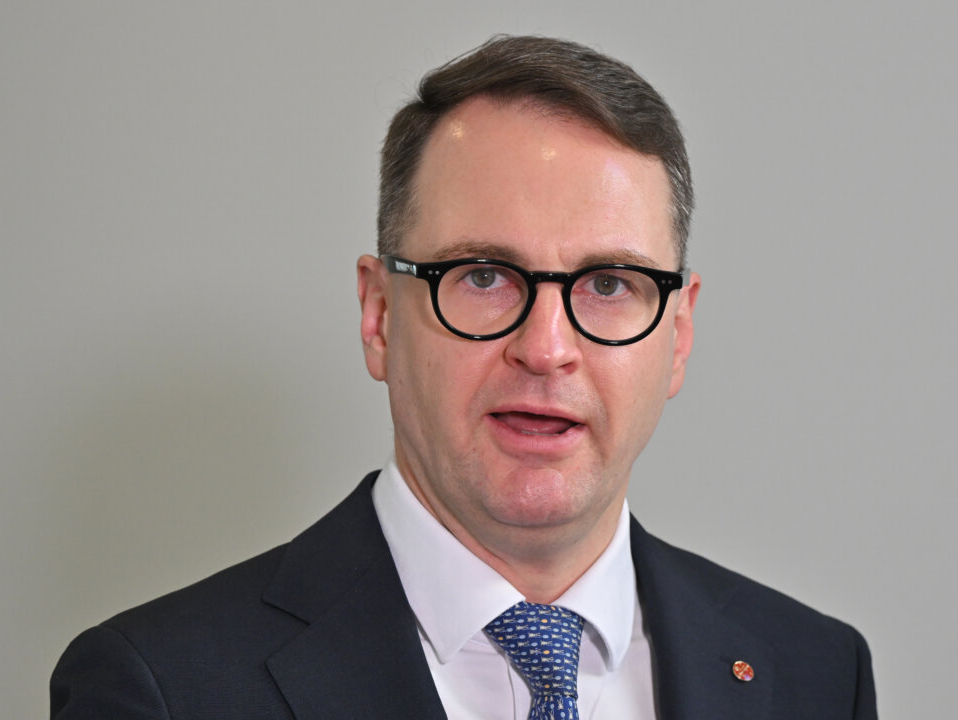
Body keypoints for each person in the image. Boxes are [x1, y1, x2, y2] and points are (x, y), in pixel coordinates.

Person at [51, 35, 877, 719]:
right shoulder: (162, 688)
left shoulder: (814, 675)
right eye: (483, 276)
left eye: (608, 283)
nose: (546, 348)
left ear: (679, 334)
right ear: (379, 315)